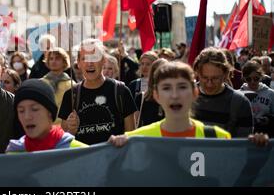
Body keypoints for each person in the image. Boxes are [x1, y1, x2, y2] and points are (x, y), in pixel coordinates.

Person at [109, 62, 269, 147]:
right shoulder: (134, 140)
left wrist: (255, 149)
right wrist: (115, 149)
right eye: (166, 88)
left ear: (195, 93)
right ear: (156, 96)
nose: (174, 95)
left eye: (182, 87)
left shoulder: (218, 138)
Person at [58, 39, 137, 145]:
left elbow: (131, 138)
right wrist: (71, 131)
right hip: (83, 160)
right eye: (85, 58)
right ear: (79, 63)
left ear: (103, 60)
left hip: (114, 160)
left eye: (94, 57)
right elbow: (64, 144)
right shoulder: (70, 96)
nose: (90, 63)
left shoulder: (121, 91)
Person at [6, 79, 87, 153]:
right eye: (21, 111)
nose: (27, 117)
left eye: (34, 109)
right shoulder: (14, 154)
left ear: (50, 113)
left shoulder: (80, 152)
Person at [193, 47, 254, 137]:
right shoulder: (185, 97)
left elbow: (243, 145)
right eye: (205, 78)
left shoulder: (240, 103)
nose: (209, 84)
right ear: (197, 73)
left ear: (226, 75)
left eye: (215, 78)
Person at [239, 61, 274, 136]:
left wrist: (268, 119)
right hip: (245, 134)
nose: (252, 82)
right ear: (244, 78)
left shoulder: (271, 94)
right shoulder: (238, 94)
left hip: (265, 134)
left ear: (261, 77)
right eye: (248, 79)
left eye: (256, 78)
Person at [41, 47, 74, 125]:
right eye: (51, 59)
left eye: (57, 58)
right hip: (46, 127)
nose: (53, 61)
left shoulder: (71, 84)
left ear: (64, 61)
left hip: (65, 127)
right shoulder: (41, 83)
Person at [134, 58, 168, 127]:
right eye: (157, 72)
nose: (160, 75)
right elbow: (134, 124)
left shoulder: (174, 98)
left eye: (164, 72)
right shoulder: (141, 98)